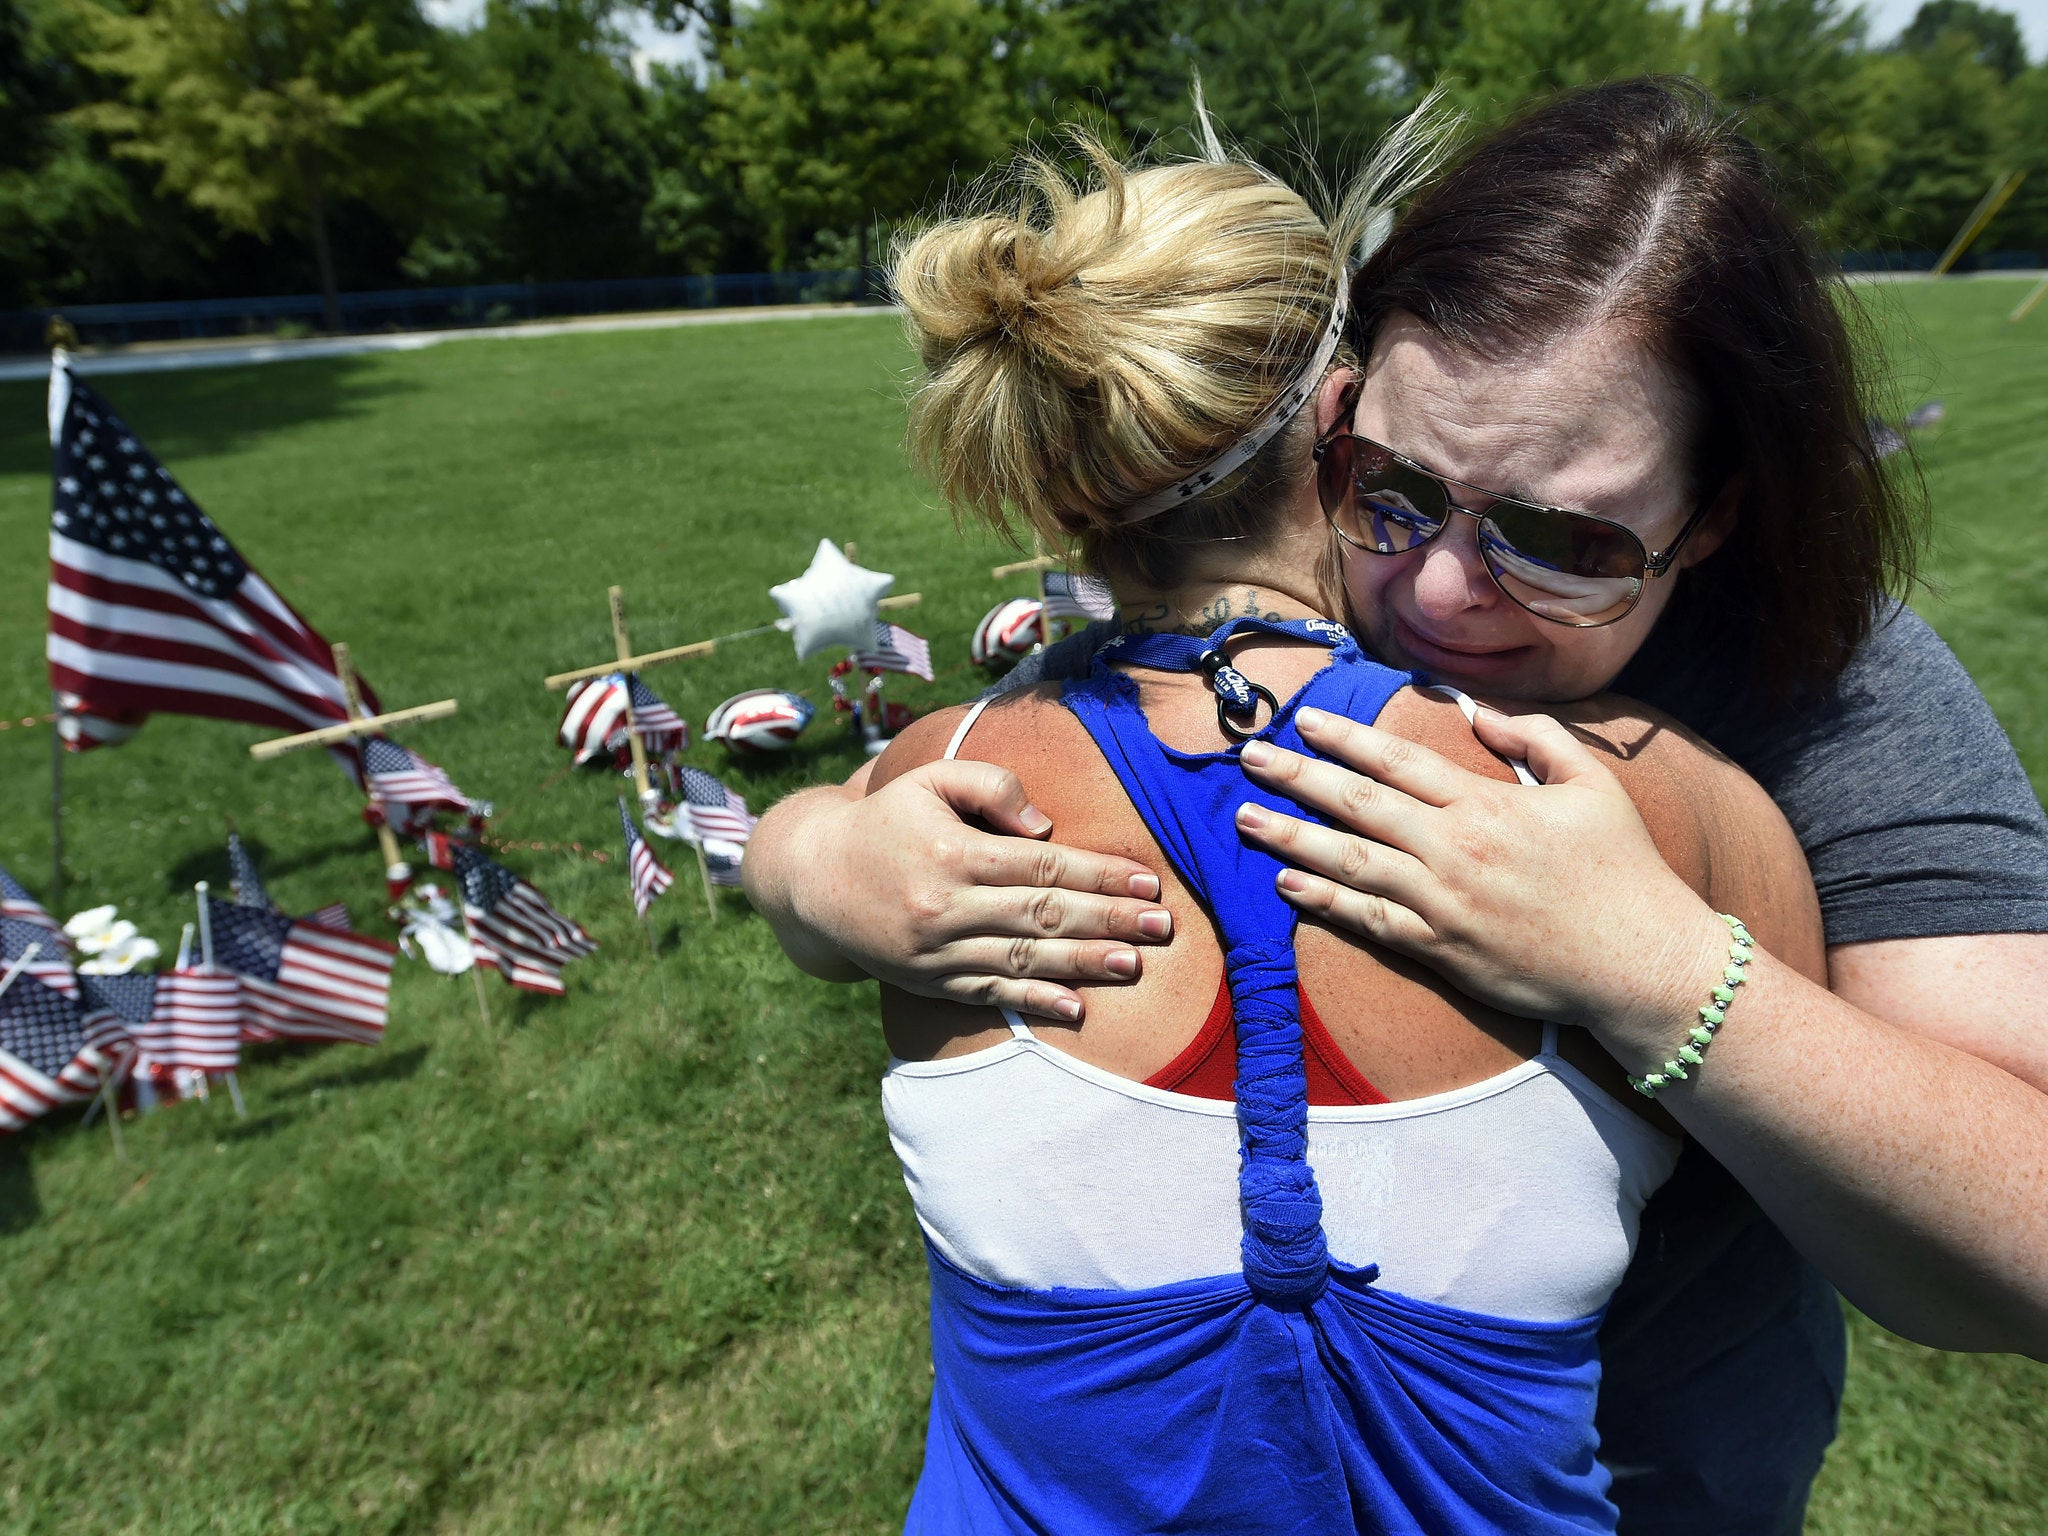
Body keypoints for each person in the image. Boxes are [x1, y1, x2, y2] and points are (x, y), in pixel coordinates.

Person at [744, 79, 2048, 1534]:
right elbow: (904, 798)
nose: (1432, 595)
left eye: (1560, 541)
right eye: (1393, 489)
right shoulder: (1249, 608)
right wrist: (816, 864)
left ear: (1719, 509)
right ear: (1329, 421)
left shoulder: (1831, 685)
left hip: (1672, 1472)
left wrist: (1659, 972)